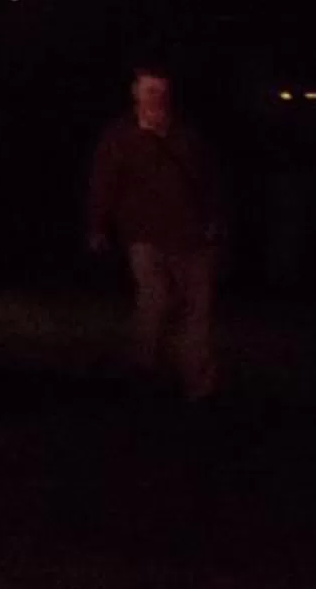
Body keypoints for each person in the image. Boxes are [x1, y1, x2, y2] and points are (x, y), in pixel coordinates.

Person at [85, 62, 223, 399]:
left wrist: (215, 217)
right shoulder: (120, 135)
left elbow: (208, 179)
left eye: (161, 91)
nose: (156, 98)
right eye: (149, 90)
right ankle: (145, 368)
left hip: (190, 234)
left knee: (196, 311)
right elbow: (103, 181)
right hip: (144, 233)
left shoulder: (184, 133)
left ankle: (198, 384)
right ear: (135, 92)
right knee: (156, 298)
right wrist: (97, 225)